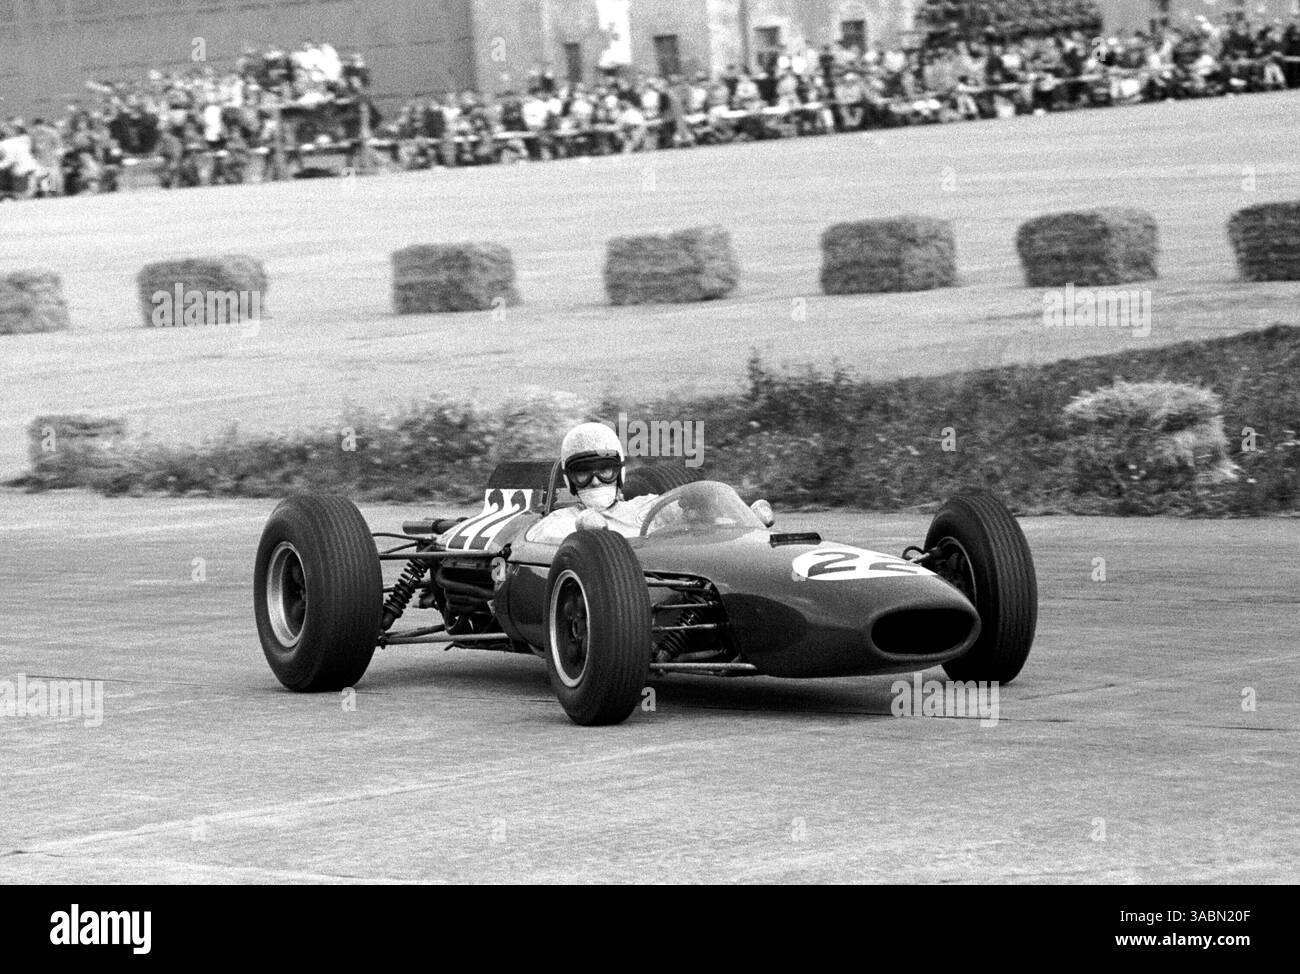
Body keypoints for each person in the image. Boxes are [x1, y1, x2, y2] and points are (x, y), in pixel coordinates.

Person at [529, 423, 658, 542]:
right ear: (570, 480)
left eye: (604, 470)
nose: (595, 482)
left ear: (619, 473)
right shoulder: (557, 523)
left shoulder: (648, 508)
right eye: (583, 472)